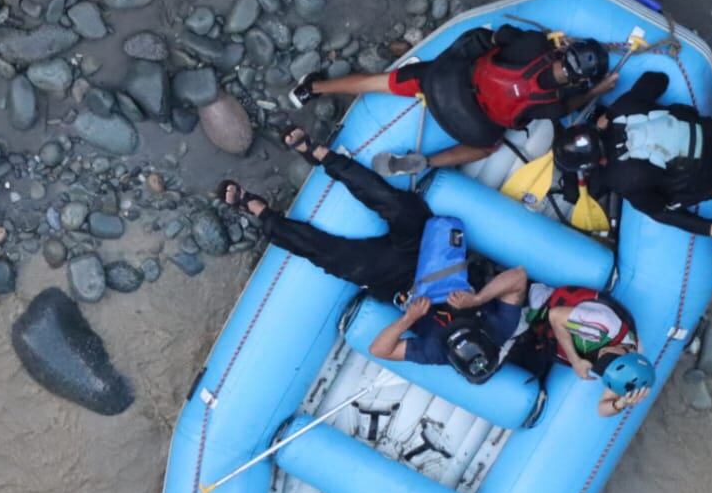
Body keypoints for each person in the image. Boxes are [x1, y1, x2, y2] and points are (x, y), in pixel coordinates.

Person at [216, 127, 530, 383]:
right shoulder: (500, 327)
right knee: (395, 205)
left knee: (333, 257)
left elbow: (380, 349)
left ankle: (258, 211)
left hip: (398, 280)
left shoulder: (437, 353)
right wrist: (477, 300)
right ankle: (321, 154)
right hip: (430, 250)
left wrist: (409, 319)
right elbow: (518, 278)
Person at [287, 25, 616, 174]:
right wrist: (595, 91)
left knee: (378, 83)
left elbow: (500, 35)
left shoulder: (534, 45)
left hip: (444, 82)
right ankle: (428, 163)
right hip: (471, 125)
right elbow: (571, 105)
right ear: (577, 80)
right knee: (489, 148)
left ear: (566, 50)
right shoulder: (554, 104)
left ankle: (311, 90)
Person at [554, 71, 712, 255]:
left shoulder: (620, 178)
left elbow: (662, 211)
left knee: (658, 206)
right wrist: (611, 113)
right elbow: (658, 80)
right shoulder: (622, 108)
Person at [507, 284, 654, 417]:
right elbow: (555, 315)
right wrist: (575, 360)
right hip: (535, 308)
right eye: (608, 356)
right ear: (625, 351)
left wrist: (620, 404)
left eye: (603, 362)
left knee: (525, 376)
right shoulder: (606, 326)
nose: (602, 355)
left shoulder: (624, 367)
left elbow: (602, 409)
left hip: (542, 338)